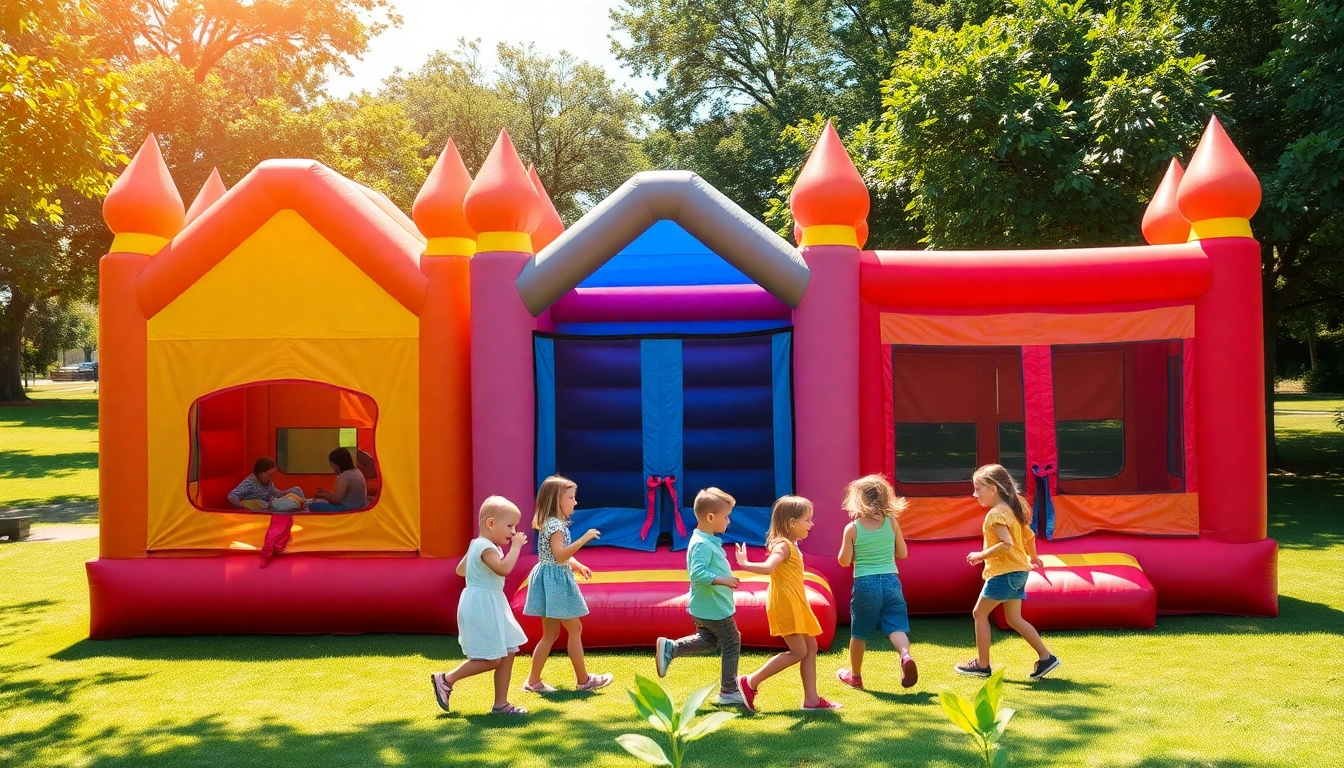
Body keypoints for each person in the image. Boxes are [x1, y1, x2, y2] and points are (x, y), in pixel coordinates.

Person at [734, 496, 841, 711]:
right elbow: (769, 567)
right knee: (799, 651)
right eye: (807, 520)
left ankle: (811, 700)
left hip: (795, 602)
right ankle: (750, 682)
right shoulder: (783, 546)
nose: (812, 524)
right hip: (786, 603)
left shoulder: (790, 544)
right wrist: (745, 564)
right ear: (791, 523)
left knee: (810, 647)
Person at [955, 464, 1060, 680]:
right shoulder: (1014, 509)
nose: (975, 494)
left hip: (1004, 573)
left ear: (993, 489)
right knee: (1014, 618)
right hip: (1019, 571)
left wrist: (980, 555)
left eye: (978, 489)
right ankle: (1046, 657)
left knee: (979, 613)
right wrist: (1033, 557)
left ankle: (982, 665)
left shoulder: (996, 514)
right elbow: (1029, 536)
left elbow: (1006, 543)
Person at [431, 496, 531, 715]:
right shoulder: (486, 547)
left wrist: (475, 560)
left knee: (508, 650)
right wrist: (516, 547)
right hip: (482, 605)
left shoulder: (479, 545)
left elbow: (460, 570)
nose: (514, 532)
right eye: (510, 526)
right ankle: (447, 679)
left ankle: (501, 704)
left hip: (490, 602)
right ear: (491, 523)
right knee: (491, 659)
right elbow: (503, 569)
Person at [653, 488, 747, 707]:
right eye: (726, 516)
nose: (729, 521)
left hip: (706, 607)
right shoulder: (702, 544)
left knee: (709, 640)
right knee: (732, 641)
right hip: (713, 608)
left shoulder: (706, 540)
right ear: (711, 517)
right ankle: (729, 690)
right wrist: (725, 580)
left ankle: (672, 649)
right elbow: (697, 574)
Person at [522, 475, 613, 694]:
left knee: (551, 634)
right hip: (556, 583)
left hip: (550, 577)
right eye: (571, 498)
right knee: (575, 628)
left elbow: (557, 556)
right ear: (557, 500)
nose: (575, 502)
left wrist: (577, 565)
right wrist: (584, 539)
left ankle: (533, 681)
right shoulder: (556, 526)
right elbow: (560, 555)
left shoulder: (553, 524)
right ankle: (583, 680)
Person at [835, 474, 918, 690]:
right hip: (891, 580)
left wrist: (854, 552)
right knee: (896, 625)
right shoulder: (891, 523)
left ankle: (855, 676)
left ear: (857, 500)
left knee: (859, 632)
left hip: (865, 583)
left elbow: (844, 561)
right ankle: (905, 655)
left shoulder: (853, 528)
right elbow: (903, 553)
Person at [227, 458, 302, 510]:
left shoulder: (268, 482)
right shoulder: (249, 483)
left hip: (272, 502)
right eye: (269, 475)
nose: (271, 477)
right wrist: (242, 506)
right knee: (275, 504)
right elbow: (232, 495)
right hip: (264, 506)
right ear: (260, 473)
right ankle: (296, 505)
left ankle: (303, 504)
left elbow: (275, 493)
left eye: (272, 475)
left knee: (297, 489)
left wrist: (285, 495)